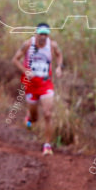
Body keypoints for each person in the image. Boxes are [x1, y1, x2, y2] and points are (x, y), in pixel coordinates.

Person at [12, 22, 63, 156]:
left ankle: (47, 146)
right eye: (41, 34)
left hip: (46, 83)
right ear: (36, 34)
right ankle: (30, 117)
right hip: (31, 85)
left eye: (46, 35)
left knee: (48, 114)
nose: (43, 37)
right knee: (35, 117)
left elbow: (59, 55)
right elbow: (15, 59)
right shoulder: (28, 44)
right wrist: (25, 70)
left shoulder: (52, 45)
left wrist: (58, 67)